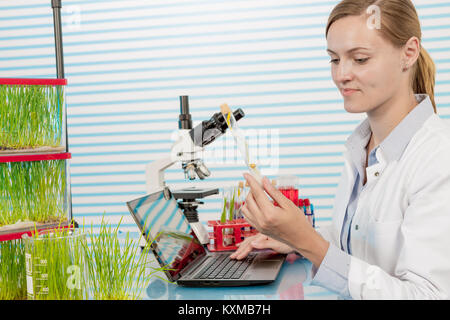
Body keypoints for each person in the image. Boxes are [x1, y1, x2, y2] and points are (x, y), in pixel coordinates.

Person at [230, 0, 450, 300]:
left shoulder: (438, 158)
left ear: (408, 53)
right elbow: (359, 241)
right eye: (334, 59)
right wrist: (294, 238)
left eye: (359, 59)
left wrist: (309, 243)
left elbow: (430, 296)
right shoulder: (362, 147)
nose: (341, 75)